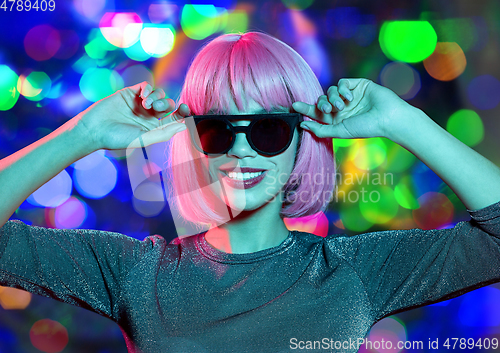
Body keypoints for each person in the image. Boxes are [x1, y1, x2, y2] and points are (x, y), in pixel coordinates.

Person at [0, 31, 499, 353]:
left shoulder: (352, 271)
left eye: (267, 129)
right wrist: (82, 134)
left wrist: (402, 122)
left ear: (303, 137)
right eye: (217, 129)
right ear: (193, 142)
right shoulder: (135, 273)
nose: (241, 150)